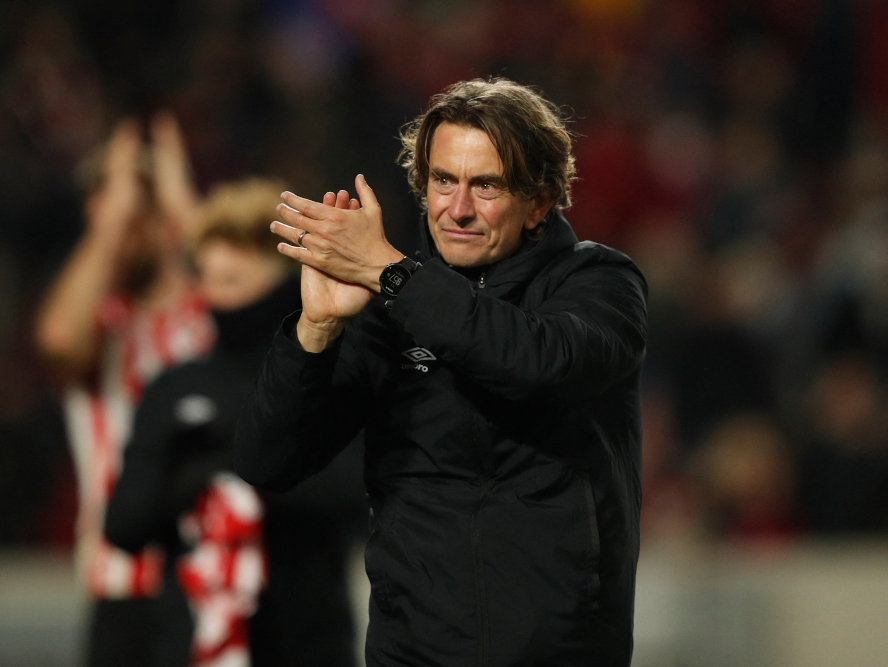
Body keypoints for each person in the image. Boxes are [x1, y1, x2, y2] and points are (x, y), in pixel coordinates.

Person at [235, 78, 649, 666]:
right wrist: (315, 331)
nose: (457, 209)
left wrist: (395, 276)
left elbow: (534, 363)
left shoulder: (598, 283)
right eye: (442, 181)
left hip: (557, 653)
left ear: (540, 201)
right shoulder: (387, 305)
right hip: (413, 652)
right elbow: (265, 462)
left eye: (487, 186)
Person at [105, 178, 362, 667]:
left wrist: (232, 464)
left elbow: (356, 492)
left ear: (284, 283)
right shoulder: (176, 388)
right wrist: (191, 482)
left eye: (235, 281)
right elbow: (124, 524)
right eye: (208, 280)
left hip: (310, 642)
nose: (217, 299)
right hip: (194, 644)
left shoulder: (332, 379)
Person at [36, 114, 213, 667]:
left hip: (214, 577)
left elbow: (255, 315)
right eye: (97, 220)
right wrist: (111, 223)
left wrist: (188, 212)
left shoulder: (208, 313)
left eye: (128, 219)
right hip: (120, 585)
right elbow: (60, 339)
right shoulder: (102, 322)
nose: (111, 237)